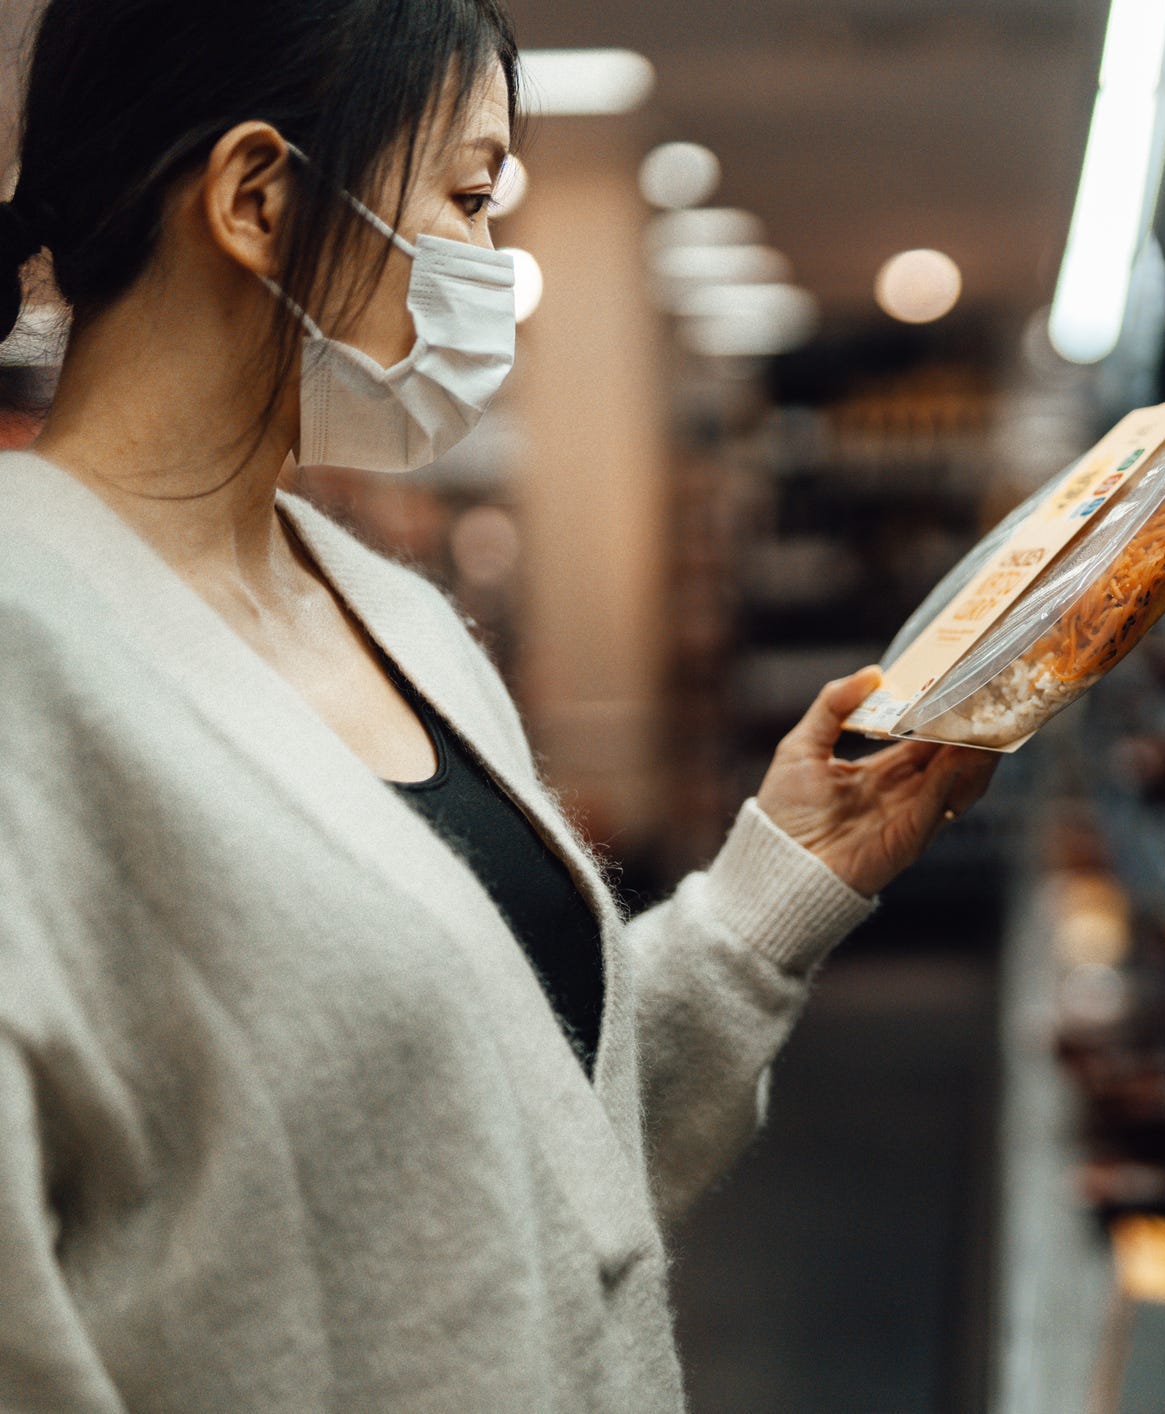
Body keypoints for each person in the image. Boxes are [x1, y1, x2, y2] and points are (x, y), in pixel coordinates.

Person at [0, 1, 998, 1407]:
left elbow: (511, 1152)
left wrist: (782, 881)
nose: (492, 260)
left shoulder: (389, 613)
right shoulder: (28, 669)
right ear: (258, 200)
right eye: (468, 198)